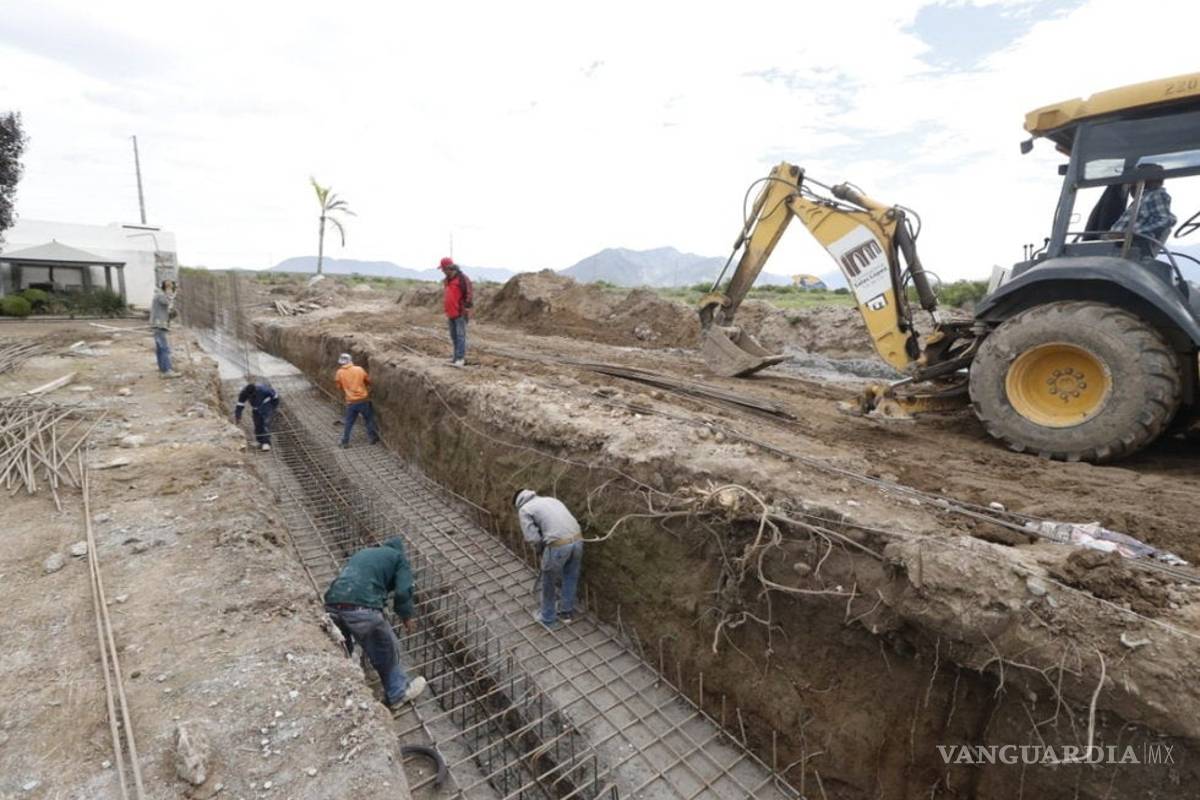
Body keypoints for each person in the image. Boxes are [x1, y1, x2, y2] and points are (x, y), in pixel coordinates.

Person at [324, 537, 426, 707]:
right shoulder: (399, 558)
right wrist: (406, 616)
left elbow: (356, 580)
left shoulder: (365, 553)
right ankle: (398, 693)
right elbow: (402, 591)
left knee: (343, 649)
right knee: (385, 648)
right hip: (362, 608)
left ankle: (350, 682)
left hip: (332, 602)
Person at [514, 489, 583, 628]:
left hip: (558, 545)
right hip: (578, 540)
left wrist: (540, 549)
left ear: (518, 503)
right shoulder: (551, 500)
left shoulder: (524, 509)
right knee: (570, 576)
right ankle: (566, 613)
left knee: (548, 581)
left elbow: (531, 537)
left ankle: (547, 617)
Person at [1109, 167, 1177, 246]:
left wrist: (1131, 233)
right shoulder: (1142, 198)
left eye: (1133, 180)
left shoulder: (1155, 195)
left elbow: (1166, 220)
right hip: (1114, 248)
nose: (1130, 184)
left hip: (1128, 248)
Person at [334, 353, 380, 448]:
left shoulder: (339, 372)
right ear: (351, 360)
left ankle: (345, 441)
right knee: (368, 419)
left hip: (351, 402)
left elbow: (339, 386)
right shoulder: (359, 369)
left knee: (349, 422)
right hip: (363, 400)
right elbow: (368, 381)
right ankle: (372, 438)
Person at [439, 257, 473, 368]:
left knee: (460, 336)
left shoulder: (462, 279)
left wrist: (466, 308)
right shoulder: (447, 280)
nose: (442, 271)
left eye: (443, 269)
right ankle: (455, 358)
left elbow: (469, 294)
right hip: (451, 313)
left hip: (460, 313)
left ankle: (460, 358)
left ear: (449, 268)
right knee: (454, 336)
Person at [234, 382, 280, 451]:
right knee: (257, 424)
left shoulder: (264, 390)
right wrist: (238, 415)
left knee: (265, 424)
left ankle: (266, 443)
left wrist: (273, 407)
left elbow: (275, 397)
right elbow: (240, 404)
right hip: (256, 408)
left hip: (266, 406)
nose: (250, 396)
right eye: (249, 395)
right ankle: (260, 441)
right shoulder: (244, 392)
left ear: (255, 390)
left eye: (252, 395)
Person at [150, 280, 180, 378]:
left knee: (160, 348)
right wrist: (171, 293)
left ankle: (163, 368)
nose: (171, 290)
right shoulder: (160, 296)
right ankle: (167, 371)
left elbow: (166, 312)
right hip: (159, 326)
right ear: (166, 288)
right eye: (170, 288)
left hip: (159, 325)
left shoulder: (159, 295)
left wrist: (173, 313)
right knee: (164, 348)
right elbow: (167, 301)